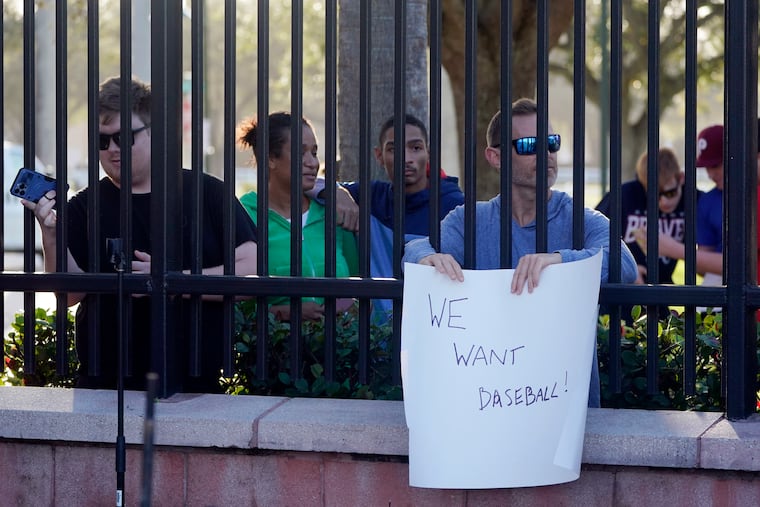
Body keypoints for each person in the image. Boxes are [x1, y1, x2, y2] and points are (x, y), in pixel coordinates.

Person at [23, 76, 259, 393]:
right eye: (102, 141)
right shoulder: (83, 206)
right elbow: (69, 295)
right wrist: (50, 234)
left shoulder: (207, 192)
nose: (112, 150)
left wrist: (171, 281)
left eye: (123, 137)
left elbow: (251, 270)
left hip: (193, 382)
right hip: (104, 382)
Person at [402, 98, 638, 408]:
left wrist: (559, 260)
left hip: (564, 412)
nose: (546, 155)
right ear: (496, 157)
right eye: (529, 145)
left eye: (551, 143)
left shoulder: (580, 219)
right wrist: (424, 258)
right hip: (485, 407)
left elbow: (625, 265)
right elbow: (416, 249)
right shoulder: (470, 220)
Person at [309, 114, 465, 322]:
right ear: (379, 155)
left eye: (416, 148)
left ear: (429, 152)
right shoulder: (372, 196)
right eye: (393, 149)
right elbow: (310, 184)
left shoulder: (454, 206)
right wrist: (337, 192)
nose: (406, 158)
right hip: (376, 337)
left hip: (436, 327)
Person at [237, 112, 359, 321]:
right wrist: (284, 313)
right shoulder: (244, 216)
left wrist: (352, 305)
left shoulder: (334, 214)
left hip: (340, 349)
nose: (313, 163)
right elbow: (231, 305)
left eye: (314, 152)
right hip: (272, 351)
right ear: (271, 159)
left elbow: (364, 287)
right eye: (301, 153)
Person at [596, 148, 698, 320]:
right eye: (655, 195)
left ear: (680, 179)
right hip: (620, 298)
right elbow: (591, 240)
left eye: (670, 193)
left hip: (660, 296)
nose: (663, 201)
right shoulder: (624, 196)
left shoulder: (693, 200)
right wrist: (626, 269)